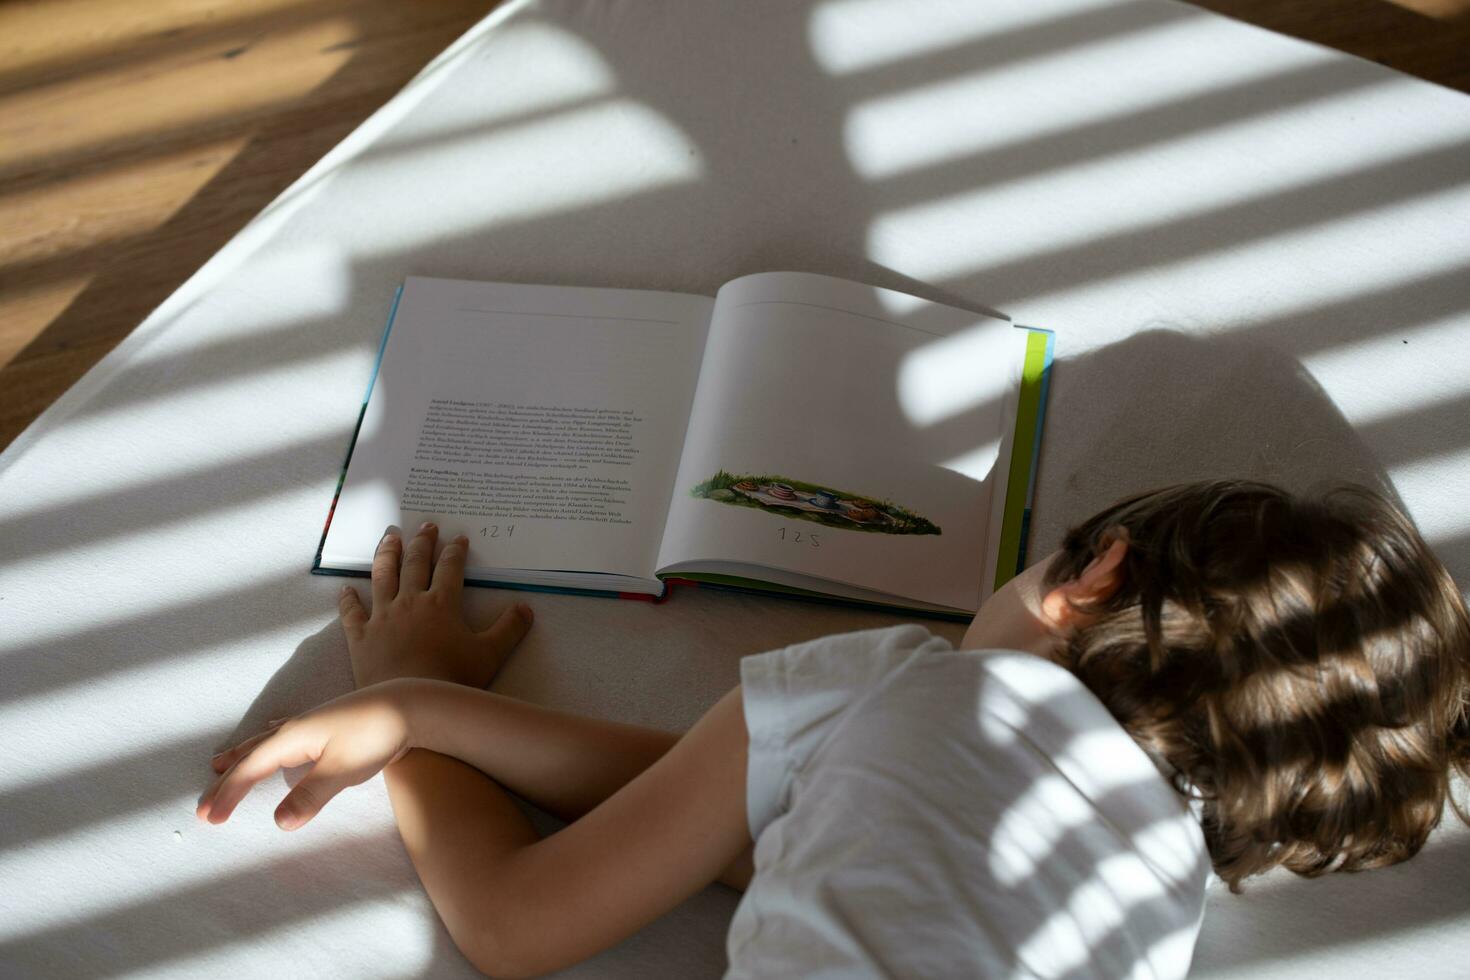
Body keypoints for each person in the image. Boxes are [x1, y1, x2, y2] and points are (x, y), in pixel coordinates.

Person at [197, 480, 1470, 978]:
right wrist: (450, 712)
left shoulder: (914, 681)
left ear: (1089, 574)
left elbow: (516, 919)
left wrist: (415, 714)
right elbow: (770, 823)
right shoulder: (1155, 898)